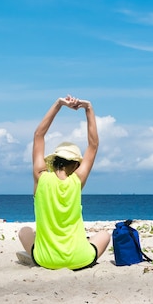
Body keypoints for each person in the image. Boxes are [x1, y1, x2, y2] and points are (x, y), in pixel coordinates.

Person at [17, 96, 111, 270]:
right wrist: (88, 108)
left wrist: (59, 104)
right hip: (79, 259)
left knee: (24, 231)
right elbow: (93, 145)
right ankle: (80, 246)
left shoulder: (40, 176)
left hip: (46, 260)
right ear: (76, 164)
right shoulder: (77, 180)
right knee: (104, 235)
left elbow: (39, 136)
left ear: (54, 161)